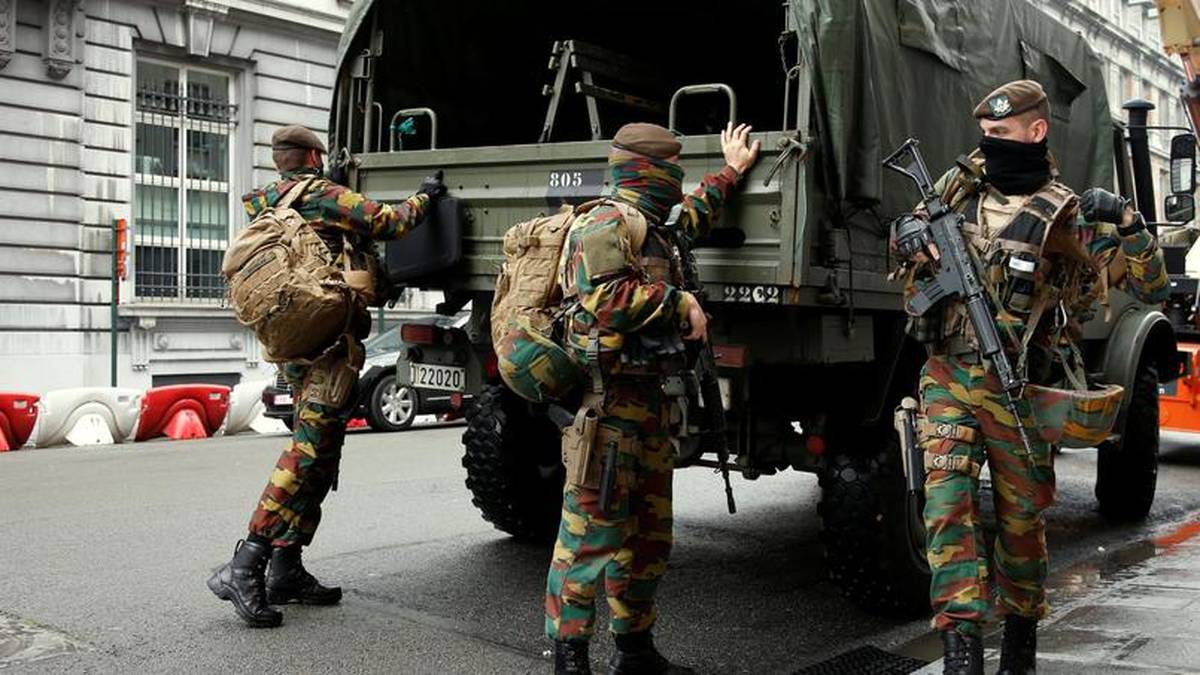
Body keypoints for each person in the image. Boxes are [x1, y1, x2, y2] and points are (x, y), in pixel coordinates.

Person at [890, 80, 1167, 675]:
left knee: (1020, 524)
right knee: (947, 513)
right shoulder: (958, 187)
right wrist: (906, 234)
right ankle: (961, 653)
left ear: (1036, 131)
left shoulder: (1067, 212)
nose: (989, 144)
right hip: (948, 376)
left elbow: (1152, 288)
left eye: (1001, 133)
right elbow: (907, 229)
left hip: (1019, 389)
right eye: (984, 134)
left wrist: (1127, 220)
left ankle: (1019, 647)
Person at [207, 125, 445, 628]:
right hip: (329, 348)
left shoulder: (266, 202)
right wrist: (425, 196)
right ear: (314, 157)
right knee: (309, 452)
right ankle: (245, 563)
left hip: (298, 344)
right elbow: (388, 221)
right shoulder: (321, 195)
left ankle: (286, 567)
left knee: (322, 451)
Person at [545, 121, 760, 675]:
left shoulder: (653, 229)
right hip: (608, 409)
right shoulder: (604, 220)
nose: (678, 180)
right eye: (672, 170)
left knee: (647, 536)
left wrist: (732, 171)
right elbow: (604, 296)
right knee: (588, 538)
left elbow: (693, 216)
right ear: (650, 172)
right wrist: (679, 301)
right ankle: (569, 658)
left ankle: (635, 651)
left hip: (649, 408)